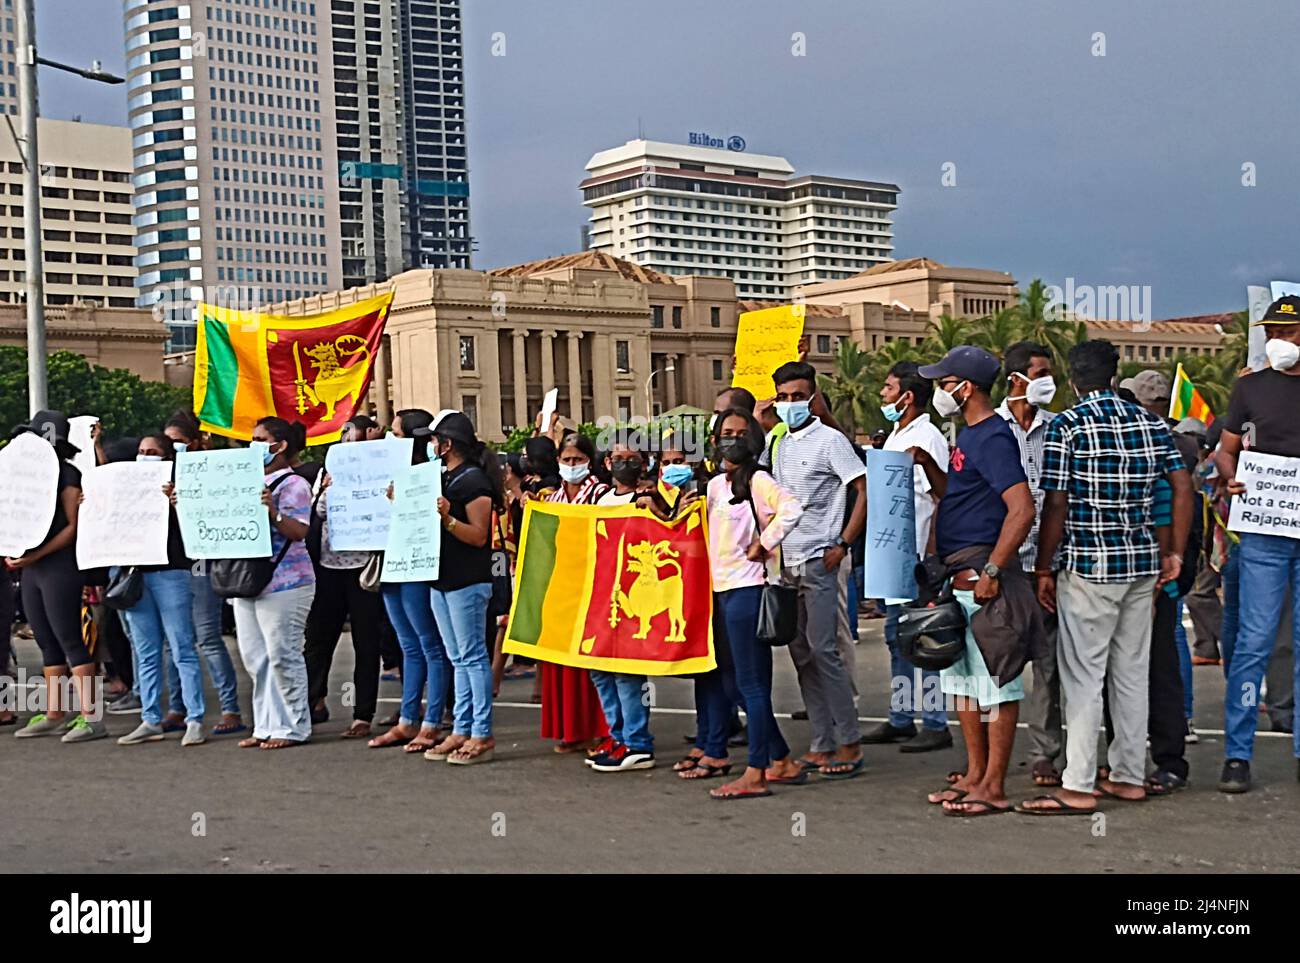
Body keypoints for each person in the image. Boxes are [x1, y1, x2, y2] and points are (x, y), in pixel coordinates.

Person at [1022, 340, 1191, 813]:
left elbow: (1055, 502)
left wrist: (1043, 566)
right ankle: (1128, 775)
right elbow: (1182, 486)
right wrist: (1173, 551)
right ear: (1115, 377)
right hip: (1141, 561)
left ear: (1073, 381)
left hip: (1089, 563)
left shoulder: (1068, 425)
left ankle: (1077, 784)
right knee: (1132, 674)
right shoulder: (1151, 423)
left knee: (1084, 677)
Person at [914, 347, 1035, 817]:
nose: (940, 391)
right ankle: (975, 774)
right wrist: (929, 466)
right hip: (959, 575)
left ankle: (994, 786)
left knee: (997, 684)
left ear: (966, 387)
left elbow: (1022, 508)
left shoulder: (993, 437)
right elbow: (964, 495)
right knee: (964, 684)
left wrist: (993, 570)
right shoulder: (970, 434)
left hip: (982, 576)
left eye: (945, 382)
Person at [1215, 295, 1300, 792]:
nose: (1279, 342)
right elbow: (1226, 451)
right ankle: (1237, 753)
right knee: (1254, 642)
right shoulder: (1250, 389)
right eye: (1273, 333)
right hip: (1266, 530)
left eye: (1288, 333)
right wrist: (1231, 478)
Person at [703, 407, 807, 799]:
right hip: (722, 590)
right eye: (725, 432)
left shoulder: (759, 480)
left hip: (750, 590)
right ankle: (780, 758)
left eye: (739, 433)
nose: (731, 439)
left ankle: (756, 771)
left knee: (752, 684)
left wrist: (764, 543)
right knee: (734, 684)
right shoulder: (716, 485)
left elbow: (793, 507)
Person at [770, 361, 867, 778]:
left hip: (819, 558)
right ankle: (821, 742)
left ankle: (850, 742)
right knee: (802, 654)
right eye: (784, 397)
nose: (790, 404)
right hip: (786, 561)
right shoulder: (780, 444)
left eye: (798, 396)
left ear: (812, 398)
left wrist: (843, 543)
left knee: (824, 650)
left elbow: (863, 489)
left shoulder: (830, 441)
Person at [862, 361, 952, 753]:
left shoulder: (927, 437)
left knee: (923, 635)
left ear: (907, 396)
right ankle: (902, 716)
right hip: (893, 550)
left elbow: (938, 495)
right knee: (897, 636)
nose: (882, 395)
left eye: (887, 388)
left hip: (916, 553)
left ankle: (934, 720)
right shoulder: (898, 435)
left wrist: (931, 556)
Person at [9, 411, 105, 743]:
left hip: (60, 566)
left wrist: (34, 555)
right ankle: (54, 713)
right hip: (32, 567)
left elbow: (73, 528)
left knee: (70, 640)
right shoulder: (18, 478)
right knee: (46, 641)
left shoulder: (68, 474)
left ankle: (92, 716)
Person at [995, 342, 1064, 786]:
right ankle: (987, 760)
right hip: (1005, 565)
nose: (1047, 381)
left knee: (1050, 668)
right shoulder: (988, 430)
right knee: (998, 666)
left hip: (1051, 563)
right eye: (1040, 372)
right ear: (1016, 379)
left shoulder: (1058, 427)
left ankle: (1045, 754)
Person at [369, 409, 453, 752]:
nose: (389, 439)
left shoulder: (433, 476)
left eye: (396, 433)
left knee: (429, 644)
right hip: (392, 562)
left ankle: (432, 721)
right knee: (408, 645)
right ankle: (408, 719)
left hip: (418, 564)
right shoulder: (391, 473)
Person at [420, 412, 500, 765]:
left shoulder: (473, 481)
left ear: (448, 444)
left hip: (466, 580)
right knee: (458, 658)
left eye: (435, 440)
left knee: (472, 657)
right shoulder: (444, 477)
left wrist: (449, 519)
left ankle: (480, 731)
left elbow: (479, 536)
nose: (431, 445)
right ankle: (462, 728)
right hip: (443, 578)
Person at [117, 433, 207, 747]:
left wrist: (179, 504)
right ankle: (150, 718)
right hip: (138, 574)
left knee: (182, 647)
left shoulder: (181, 486)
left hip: (171, 573)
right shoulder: (128, 488)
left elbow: (198, 529)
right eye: (141, 451)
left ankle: (194, 718)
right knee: (146, 652)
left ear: (167, 456)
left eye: (152, 451)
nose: (145, 456)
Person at [231, 417, 317, 750]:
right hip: (248, 580)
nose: (253, 444)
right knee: (255, 657)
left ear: (279, 446)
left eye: (260, 439)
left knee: (283, 654)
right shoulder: (243, 480)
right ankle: (265, 723)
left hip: (286, 582)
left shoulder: (294, 484)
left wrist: (273, 513)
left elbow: (299, 531)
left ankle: (294, 725)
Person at [161, 409, 245, 735]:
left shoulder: (211, 471)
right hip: (170, 565)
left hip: (199, 561)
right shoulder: (162, 474)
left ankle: (230, 709)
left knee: (207, 636)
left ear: (195, 443)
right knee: (173, 642)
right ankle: (178, 708)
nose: (172, 449)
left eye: (178, 442)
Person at [302, 423, 387, 739]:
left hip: (363, 568)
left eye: (352, 437)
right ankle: (314, 701)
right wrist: (328, 490)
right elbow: (317, 511)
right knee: (318, 638)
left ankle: (362, 714)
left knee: (366, 642)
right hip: (327, 566)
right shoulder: (326, 472)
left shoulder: (380, 470)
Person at [582, 440, 657, 772]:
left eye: (632, 459)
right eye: (618, 458)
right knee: (599, 668)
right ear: (608, 462)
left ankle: (637, 742)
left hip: (632, 594)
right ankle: (617, 735)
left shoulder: (649, 498)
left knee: (627, 672)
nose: (624, 464)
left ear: (643, 463)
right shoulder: (599, 498)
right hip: (600, 593)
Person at [541, 432, 610, 752]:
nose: (571, 465)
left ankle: (602, 729)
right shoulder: (552, 499)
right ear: (558, 462)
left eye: (578, 460)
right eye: (566, 460)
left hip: (593, 586)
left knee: (592, 661)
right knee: (564, 663)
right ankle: (571, 729)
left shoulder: (601, 493)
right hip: (560, 588)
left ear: (589, 461)